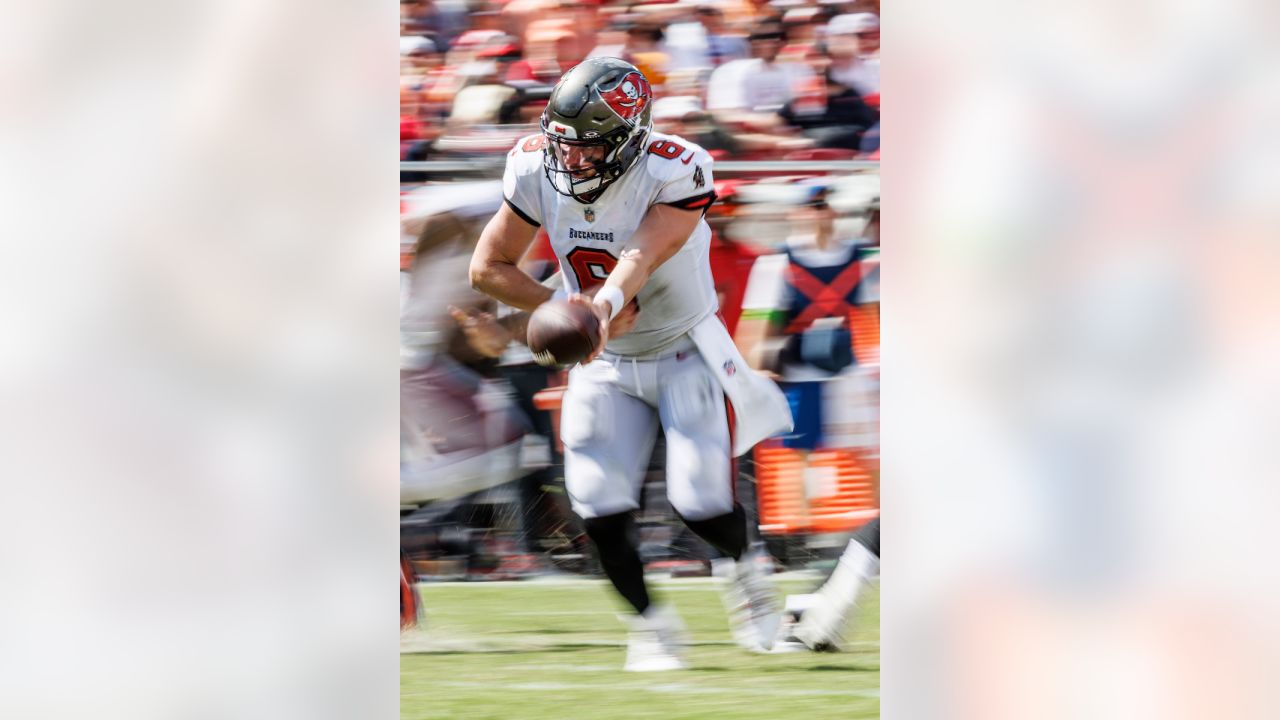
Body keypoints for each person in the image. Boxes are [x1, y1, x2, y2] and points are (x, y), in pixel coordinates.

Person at [469, 57, 794, 671]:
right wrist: (561, 307)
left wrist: (600, 307)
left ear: (629, 138)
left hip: (684, 349)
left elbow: (643, 256)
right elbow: (488, 269)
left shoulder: (676, 166)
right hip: (604, 361)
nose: (571, 160)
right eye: (565, 144)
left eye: (589, 148)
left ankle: (745, 572)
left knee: (699, 500)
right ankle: (652, 624)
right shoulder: (535, 163)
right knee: (596, 504)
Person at [775, 517, 879, 651]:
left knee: (834, 611)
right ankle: (792, 619)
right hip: (865, 550)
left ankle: (801, 622)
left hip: (867, 548)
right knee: (837, 603)